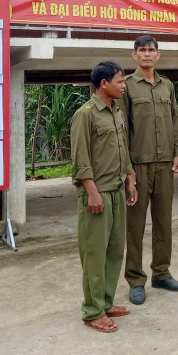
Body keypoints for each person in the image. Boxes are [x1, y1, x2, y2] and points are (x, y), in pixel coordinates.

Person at [70, 60, 139, 333]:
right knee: (94, 254)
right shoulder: (85, 114)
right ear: (103, 84)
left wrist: (130, 178)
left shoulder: (116, 110)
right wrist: (92, 193)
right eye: (120, 82)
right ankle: (92, 311)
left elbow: (122, 148)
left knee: (113, 251)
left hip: (117, 189)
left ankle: (106, 302)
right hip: (97, 194)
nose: (124, 86)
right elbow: (80, 158)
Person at [122, 35, 178, 305]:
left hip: (164, 166)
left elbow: (174, 119)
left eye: (151, 50)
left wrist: (177, 152)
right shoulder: (127, 86)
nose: (147, 54)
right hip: (139, 165)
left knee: (163, 222)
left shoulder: (167, 86)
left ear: (158, 55)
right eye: (142, 50)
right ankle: (136, 280)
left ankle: (161, 272)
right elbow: (122, 130)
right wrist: (127, 170)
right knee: (135, 226)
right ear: (134, 55)